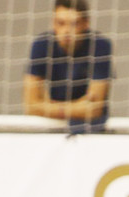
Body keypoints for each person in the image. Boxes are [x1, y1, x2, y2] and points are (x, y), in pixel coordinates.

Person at [23, 0, 113, 133]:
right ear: (53, 22)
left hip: (91, 127)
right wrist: (75, 109)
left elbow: (95, 108)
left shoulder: (100, 46)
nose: (66, 31)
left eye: (74, 24)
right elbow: (30, 106)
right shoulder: (42, 45)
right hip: (52, 123)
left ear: (85, 24)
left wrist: (48, 106)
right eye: (60, 23)